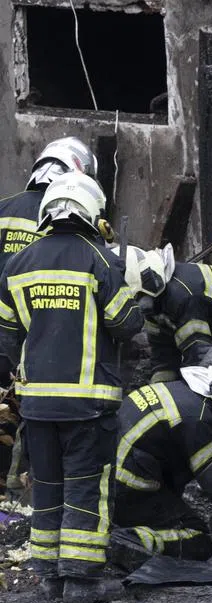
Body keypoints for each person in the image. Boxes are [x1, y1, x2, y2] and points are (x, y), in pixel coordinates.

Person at [0, 172, 141, 603]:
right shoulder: (98, 260)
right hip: (88, 403)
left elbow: (7, 335)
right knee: (85, 487)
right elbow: (126, 324)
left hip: (37, 404)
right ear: (91, 211)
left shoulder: (18, 264)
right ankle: (80, 581)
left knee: (46, 484)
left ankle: (49, 578)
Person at [0, 137, 99, 489]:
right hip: (43, 336)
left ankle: (7, 485)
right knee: (31, 416)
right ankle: (23, 483)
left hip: (6, 327)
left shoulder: (2, 208)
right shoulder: (71, 226)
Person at [110, 359, 212, 569]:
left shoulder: (186, 394)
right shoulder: (199, 421)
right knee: (200, 538)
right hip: (129, 490)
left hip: (110, 479)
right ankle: (130, 540)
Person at [117, 244, 212, 382]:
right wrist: (159, 384)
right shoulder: (157, 299)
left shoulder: (182, 295)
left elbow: (198, 354)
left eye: (136, 298)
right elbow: (162, 352)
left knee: (203, 372)